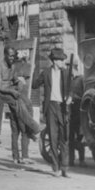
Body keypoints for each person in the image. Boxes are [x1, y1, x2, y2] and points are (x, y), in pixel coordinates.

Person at [0, 47, 40, 152]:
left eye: (13, 56)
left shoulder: (12, 66)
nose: (12, 58)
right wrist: (12, 91)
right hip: (1, 93)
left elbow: (14, 78)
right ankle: (33, 127)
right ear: (5, 55)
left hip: (10, 90)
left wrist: (18, 82)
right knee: (17, 102)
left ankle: (30, 130)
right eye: (10, 55)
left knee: (28, 102)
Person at [32, 48, 71, 177]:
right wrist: (32, 72)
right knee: (53, 138)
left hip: (63, 108)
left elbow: (72, 88)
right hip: (51, 107)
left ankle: (65, 167)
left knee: (64, 137)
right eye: (60, 60)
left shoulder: (65, 73)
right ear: (54, 61)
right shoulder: (46, 73)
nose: (62, 62)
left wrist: (70, 97)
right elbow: (34, 85)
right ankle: (56, 167)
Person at [66, 59, 86, 167]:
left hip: (79, 109)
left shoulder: (81, 79)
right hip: (70, 110)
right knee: (70, 137)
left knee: (80, 136)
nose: (68, 70)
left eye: (70, 68)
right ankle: (71, 160)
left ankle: (82, 160)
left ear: (74, 67)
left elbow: (85, 93)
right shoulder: (68, 80)